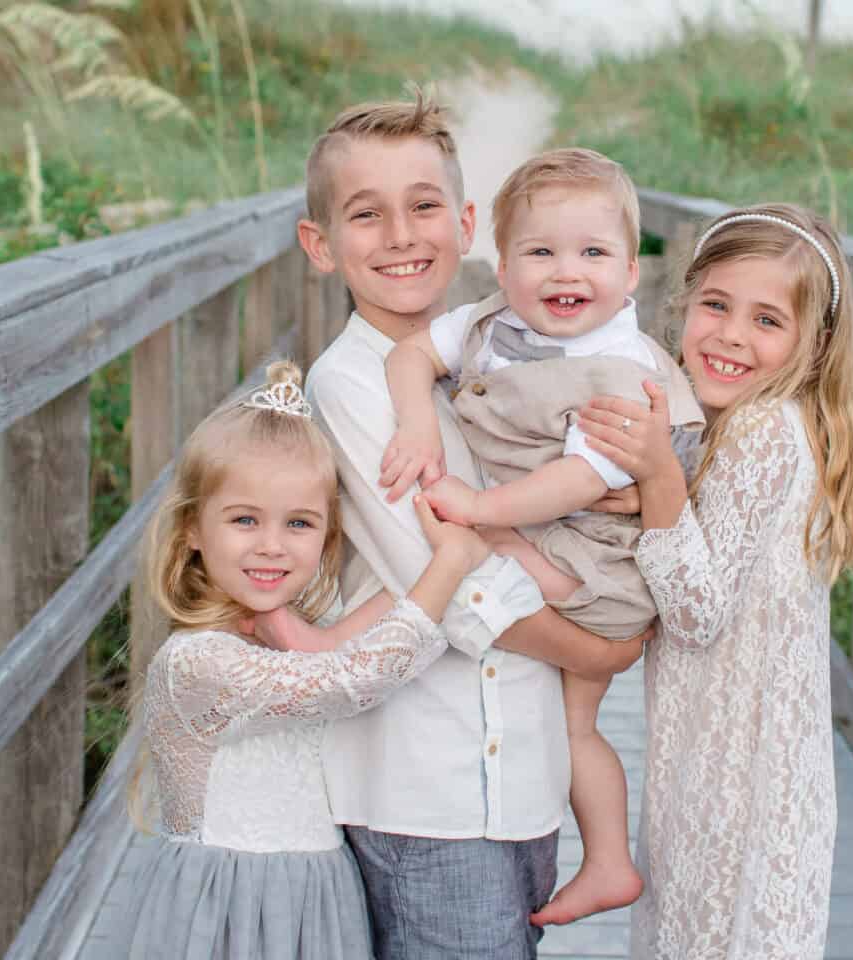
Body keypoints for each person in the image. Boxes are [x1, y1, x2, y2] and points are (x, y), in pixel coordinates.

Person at [292, 94, 647, 958]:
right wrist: (602, 653)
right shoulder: (351, 384)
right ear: (321, 245)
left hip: (522, 771)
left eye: (422, 206)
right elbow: (453, 591)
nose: (401, 236)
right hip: (427, 785)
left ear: (465, 222)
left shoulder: (506, 342)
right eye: (365, 215)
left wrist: (628, 486)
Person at [378, 147, 703, 925]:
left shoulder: (620, 369)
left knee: (570, 707)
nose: (566, 272)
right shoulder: (490, 321)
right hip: (548, 534)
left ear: (632, 273)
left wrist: (482, 512)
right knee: (574, 722)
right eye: (540, 252)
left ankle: (607, 857)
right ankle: (610, 862)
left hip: (596, 559)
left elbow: (582, 482)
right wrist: (421, 420)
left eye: (593, 253)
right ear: (502, 262)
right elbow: (409, 352)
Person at [574, 204, 853, 959]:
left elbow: (696, 612)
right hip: (729, 765)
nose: (731, 336)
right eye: (715, 305)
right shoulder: (747, 423)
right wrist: (654, 487)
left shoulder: (760, 432)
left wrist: (655, 478)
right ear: (684, 304)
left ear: (813, 348)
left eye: (767, 321)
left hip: (739, 785)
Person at [107, 361, 494, 959]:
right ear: (192, 530)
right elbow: (353, 677)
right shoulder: (197, 662)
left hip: (314, 899)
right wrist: (449, 565)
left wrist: (425, 560)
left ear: (326, 537)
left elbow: (365, 633)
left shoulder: (294, 636)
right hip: (230, 905)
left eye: (298, 523)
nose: (271, 544)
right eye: (243, 520)